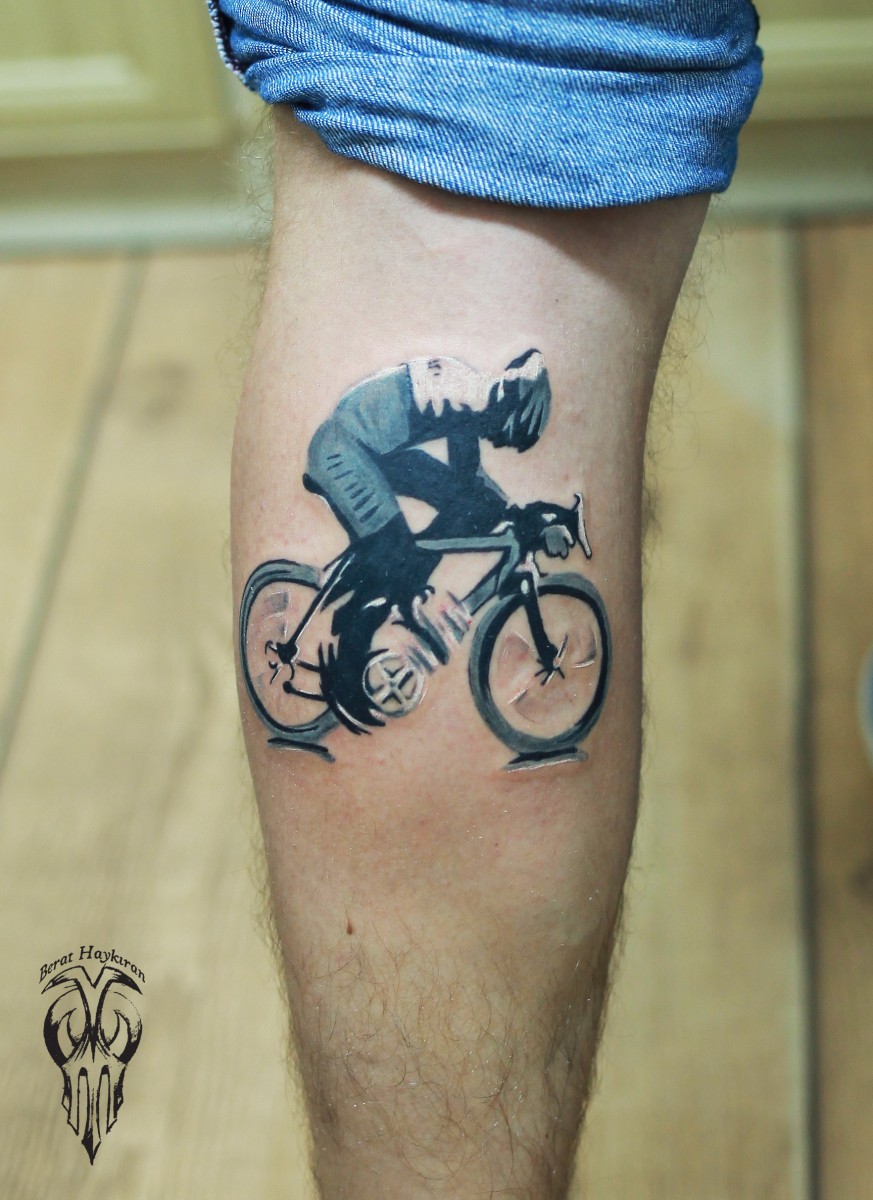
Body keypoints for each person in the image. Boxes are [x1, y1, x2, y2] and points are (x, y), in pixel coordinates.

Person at [209, 1, 763, 1195]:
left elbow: (477, 491)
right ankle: (346, 651)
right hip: (352, 446)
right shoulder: (457, 391)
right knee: (485, 60)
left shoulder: (479, 412)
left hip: (389, 447)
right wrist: (495, 518)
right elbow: (442, 467)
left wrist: (520, 522)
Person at [273, 347, 559, 728]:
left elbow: (476, 492)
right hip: (343, 450)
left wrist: (517, 514)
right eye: (509, 434)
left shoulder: (469, 397)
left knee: (479, 506)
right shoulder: (468, 399)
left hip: (373, 450)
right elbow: (469, 473)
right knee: (394, 556)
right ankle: (345, 674)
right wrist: (522, 517)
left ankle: (403, 581)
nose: (501, 442)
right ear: (509, 408)